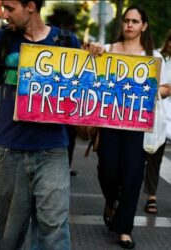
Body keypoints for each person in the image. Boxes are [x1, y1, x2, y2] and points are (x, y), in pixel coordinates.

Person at [0, 1, 81, 249]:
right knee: (10, 232)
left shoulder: (66, 41)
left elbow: (84, 85)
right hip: (8, 150)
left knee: (54, 229)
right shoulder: (0, 40)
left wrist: (95, 57)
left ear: (31, 6)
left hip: (52, 150)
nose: (4, 14)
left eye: (10, 8)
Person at [88, 6, 168, 249]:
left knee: (133, 176)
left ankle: (124, 229)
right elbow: (89, 77)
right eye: (126, 21)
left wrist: (152, 91)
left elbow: (166, 88)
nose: (129, 25)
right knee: (108, 170)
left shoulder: (153, 56)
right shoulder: (108, 50)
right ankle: (111, 202)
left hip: (138, 127)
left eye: (135, 21)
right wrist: (93, 53)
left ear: (144, 26)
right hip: (110, 123)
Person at [143, 29, 171, 214]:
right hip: (158, 114)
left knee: (156, 157)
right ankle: (151, 196)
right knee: (152, 155)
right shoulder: (160, 59)